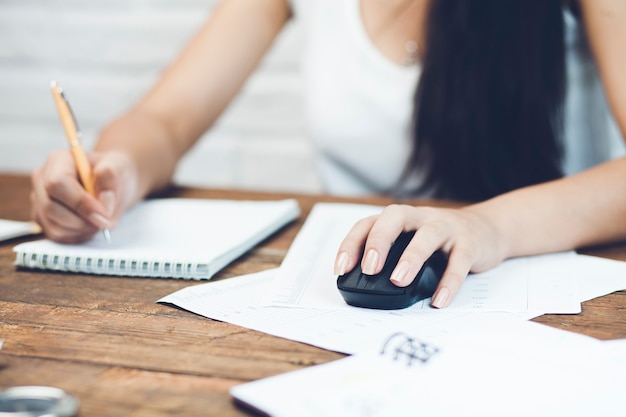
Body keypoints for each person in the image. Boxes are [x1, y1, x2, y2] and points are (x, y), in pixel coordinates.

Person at [31, 0, 626, 309]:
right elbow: (167, 119)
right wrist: (117, 169)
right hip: (345, 300)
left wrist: (483, 226)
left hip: (536, 278)